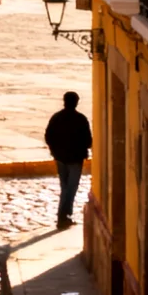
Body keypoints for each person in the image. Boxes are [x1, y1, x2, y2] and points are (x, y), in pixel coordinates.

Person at [45, 91, 92, 229]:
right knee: (71, 188)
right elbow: (88, 141)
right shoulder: (81, 119)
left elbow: (48, 136)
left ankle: (64, 215)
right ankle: (63, 215)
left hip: (60, 158)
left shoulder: (56, 118)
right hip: (75, 160)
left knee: (65, 187)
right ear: (76, 102)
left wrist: (54, 151)